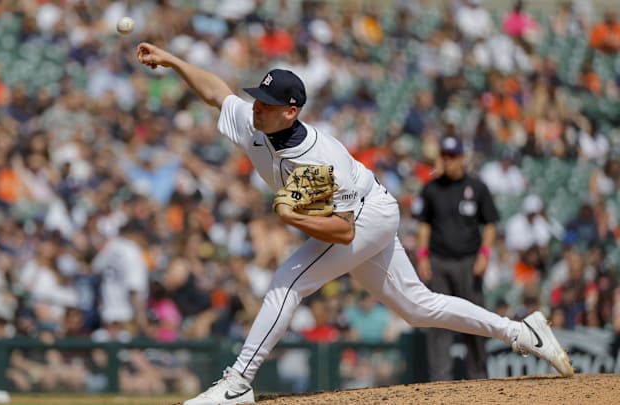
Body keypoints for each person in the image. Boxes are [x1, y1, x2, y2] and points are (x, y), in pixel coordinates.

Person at [135, 42, 574, 405]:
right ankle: (521, 331)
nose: (257, 108)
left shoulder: (314, 157)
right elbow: (217, 92)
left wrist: (293, 217)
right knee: (418, 307)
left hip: (367, 214)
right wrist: (174, 62)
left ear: (290, 112)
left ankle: (237, 384)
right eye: (258, 99)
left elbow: (343, 231)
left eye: (267, 104)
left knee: (288, 281)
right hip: (362, 211)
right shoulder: (255, 124)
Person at [414, 135, 498, 381]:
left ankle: (479, 375)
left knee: (475, 318)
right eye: (445, 156)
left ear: (462, 158)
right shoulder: (431, 188)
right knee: (439, 320)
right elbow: (424, 225)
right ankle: (440, 379)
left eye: (452, 156)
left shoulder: (477, 187)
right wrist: (422, 256)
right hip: (439, 262)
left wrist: (484, 254)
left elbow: (491, 224)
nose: (448, 161)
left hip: (469, 262)